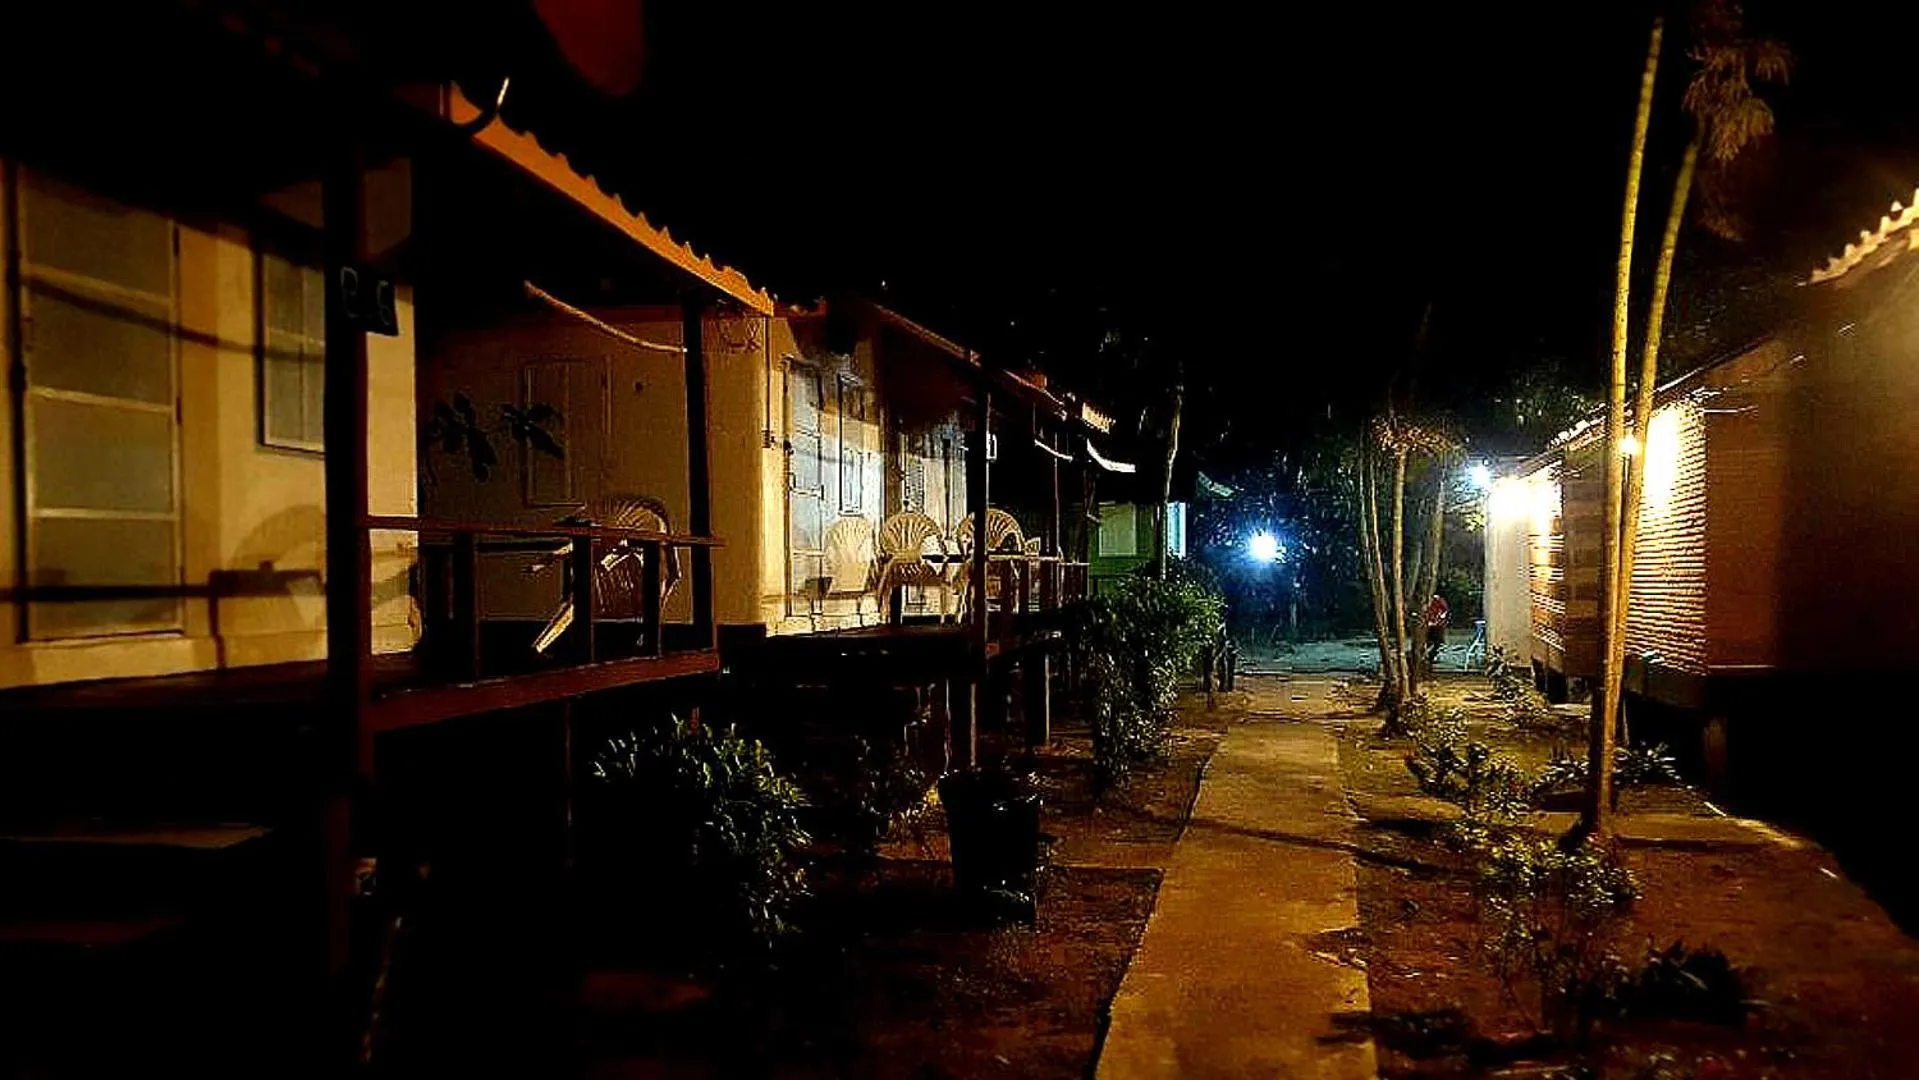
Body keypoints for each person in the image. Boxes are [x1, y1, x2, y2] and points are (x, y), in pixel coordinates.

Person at [1422, 593, 1450, 665]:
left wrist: (1436, 621)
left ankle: (1430, 656)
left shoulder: (1439, 602)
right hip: (1434, 625)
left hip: (1437, 625)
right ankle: (1427, 656)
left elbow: (1443, 613)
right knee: (1433, 642)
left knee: (1437, 643)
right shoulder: (1433, 603)